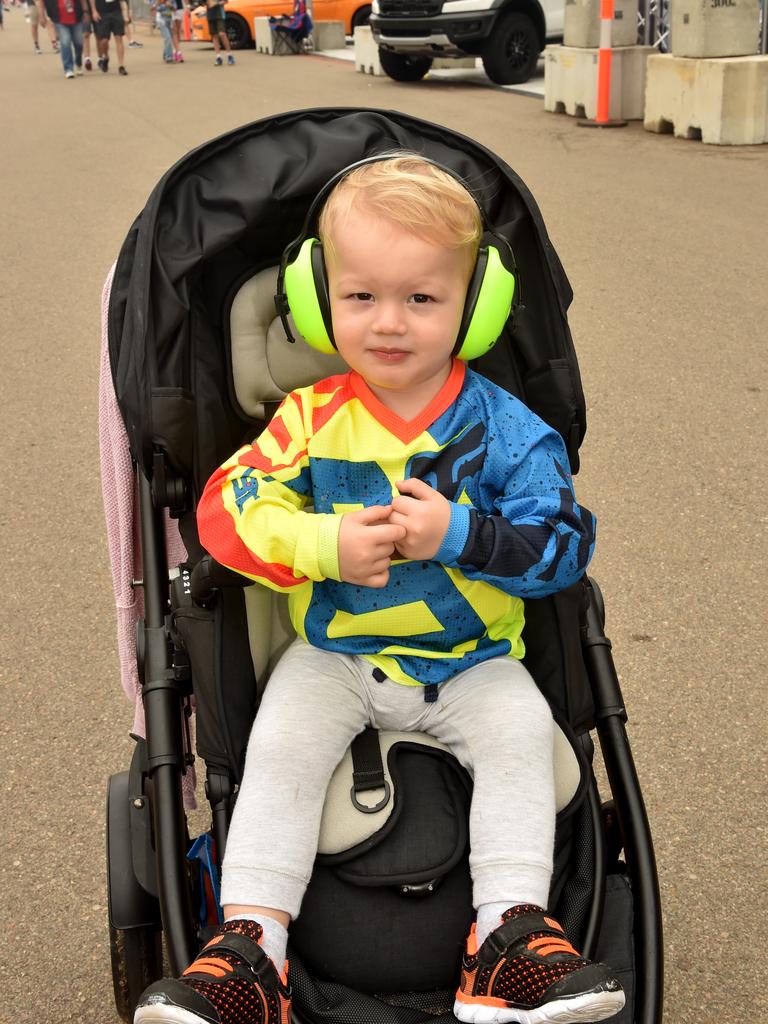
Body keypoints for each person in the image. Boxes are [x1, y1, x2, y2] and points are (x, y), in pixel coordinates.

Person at [133, 156, 624, 1024]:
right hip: (336, 655)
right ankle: (252, 950)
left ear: (476, 304)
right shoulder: (309, 418)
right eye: (361, 297)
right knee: (279, 749)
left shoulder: (510, 431)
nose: (389, 323)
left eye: (422, 300)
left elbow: (562, 549)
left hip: (471, 659)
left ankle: (507, 936)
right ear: (322, 300)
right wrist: (319, 542)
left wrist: (462, 535)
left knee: (518, 729)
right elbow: (223, 514)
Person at [43, 0, 85, 75]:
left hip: (76, 18)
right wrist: (46, 16)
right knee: (65, 42)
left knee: (79, 43)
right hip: (60, 20)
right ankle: (68, 68)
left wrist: (85, 11)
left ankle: (78, 63)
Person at [90, 0, 127, 74]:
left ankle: (121, 66)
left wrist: (125, 14)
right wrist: (94, 11)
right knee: (104, 41)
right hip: (102, 13)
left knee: (119, 38)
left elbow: (123, 1)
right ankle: (106, 57)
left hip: (116, 11)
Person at [205, 0, 233, 65]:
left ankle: (230, 55)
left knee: (222, 34)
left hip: (219, 15)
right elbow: (205, 3)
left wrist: (216, 3)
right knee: (214, 36)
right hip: (210, 16)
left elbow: (225, 1)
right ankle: (218, 57)